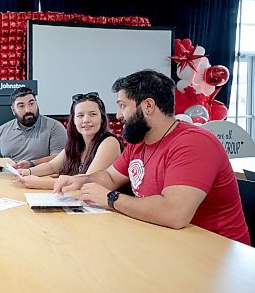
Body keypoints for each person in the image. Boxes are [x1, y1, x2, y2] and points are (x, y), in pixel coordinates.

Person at [53, 69, 250, 245]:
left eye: (123, 105)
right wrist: (80, 181)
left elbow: (174, 214)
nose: (119, 115)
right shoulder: (139, 142)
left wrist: (110, 198)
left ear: (148, 105)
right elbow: (111, 177)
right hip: (166, 242)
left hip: (214, 255)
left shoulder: (194, 143)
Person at [17, 92, 122, 189]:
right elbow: (52, 166)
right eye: (80, 115)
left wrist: (40, 183)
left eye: (92, 114)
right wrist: (28, 172)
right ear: (74, 120)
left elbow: (87, 181)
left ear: (102, 118)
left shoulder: (109, 142)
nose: (86, 120)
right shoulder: (76, 143)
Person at [0, 86, 67, 172]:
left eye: (31, 104)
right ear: (13, 110)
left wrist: (31, 163)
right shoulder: (1, 131)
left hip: (40, 181)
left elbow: (59, 160)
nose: (28, 110)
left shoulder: (54, 127)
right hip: (7, 181)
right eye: (21, 106)